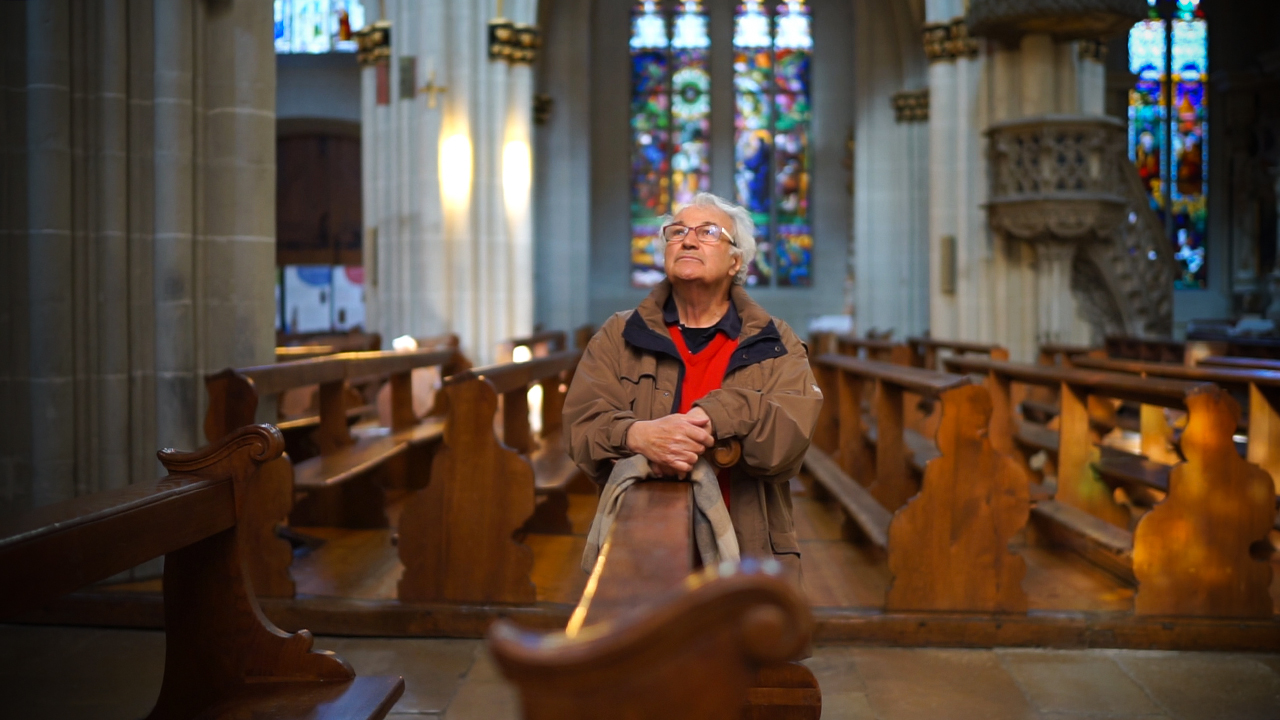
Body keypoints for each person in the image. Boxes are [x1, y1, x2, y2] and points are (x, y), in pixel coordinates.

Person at [563, 192, 822, 588]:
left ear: (736, 261)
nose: (687, 240)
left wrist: (719, 415)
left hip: (747, 547)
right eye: (677, 231)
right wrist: (636, 435)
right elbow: (581, 426)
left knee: (741, 649)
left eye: (708, 232)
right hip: (641, 541)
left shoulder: (774, 340)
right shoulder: (619, 334)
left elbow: (787, 443)